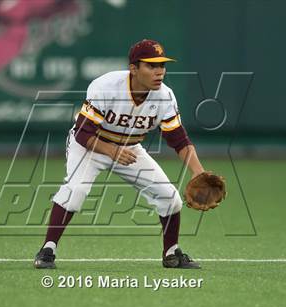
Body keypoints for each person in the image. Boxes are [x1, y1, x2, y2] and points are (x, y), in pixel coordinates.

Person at [34, 39, 205, 269]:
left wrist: (198, 172)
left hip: (130, 149)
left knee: (170, 197)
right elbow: (83, 133)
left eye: (162, 65)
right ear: (133, 68)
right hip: (90, 146)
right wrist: (113, 151)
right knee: (76, 190)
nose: (159, 72)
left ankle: (172, 253)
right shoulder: (106, 86)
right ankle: (47, 250)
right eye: (151, 66)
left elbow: (179, 140)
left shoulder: (165, 96)